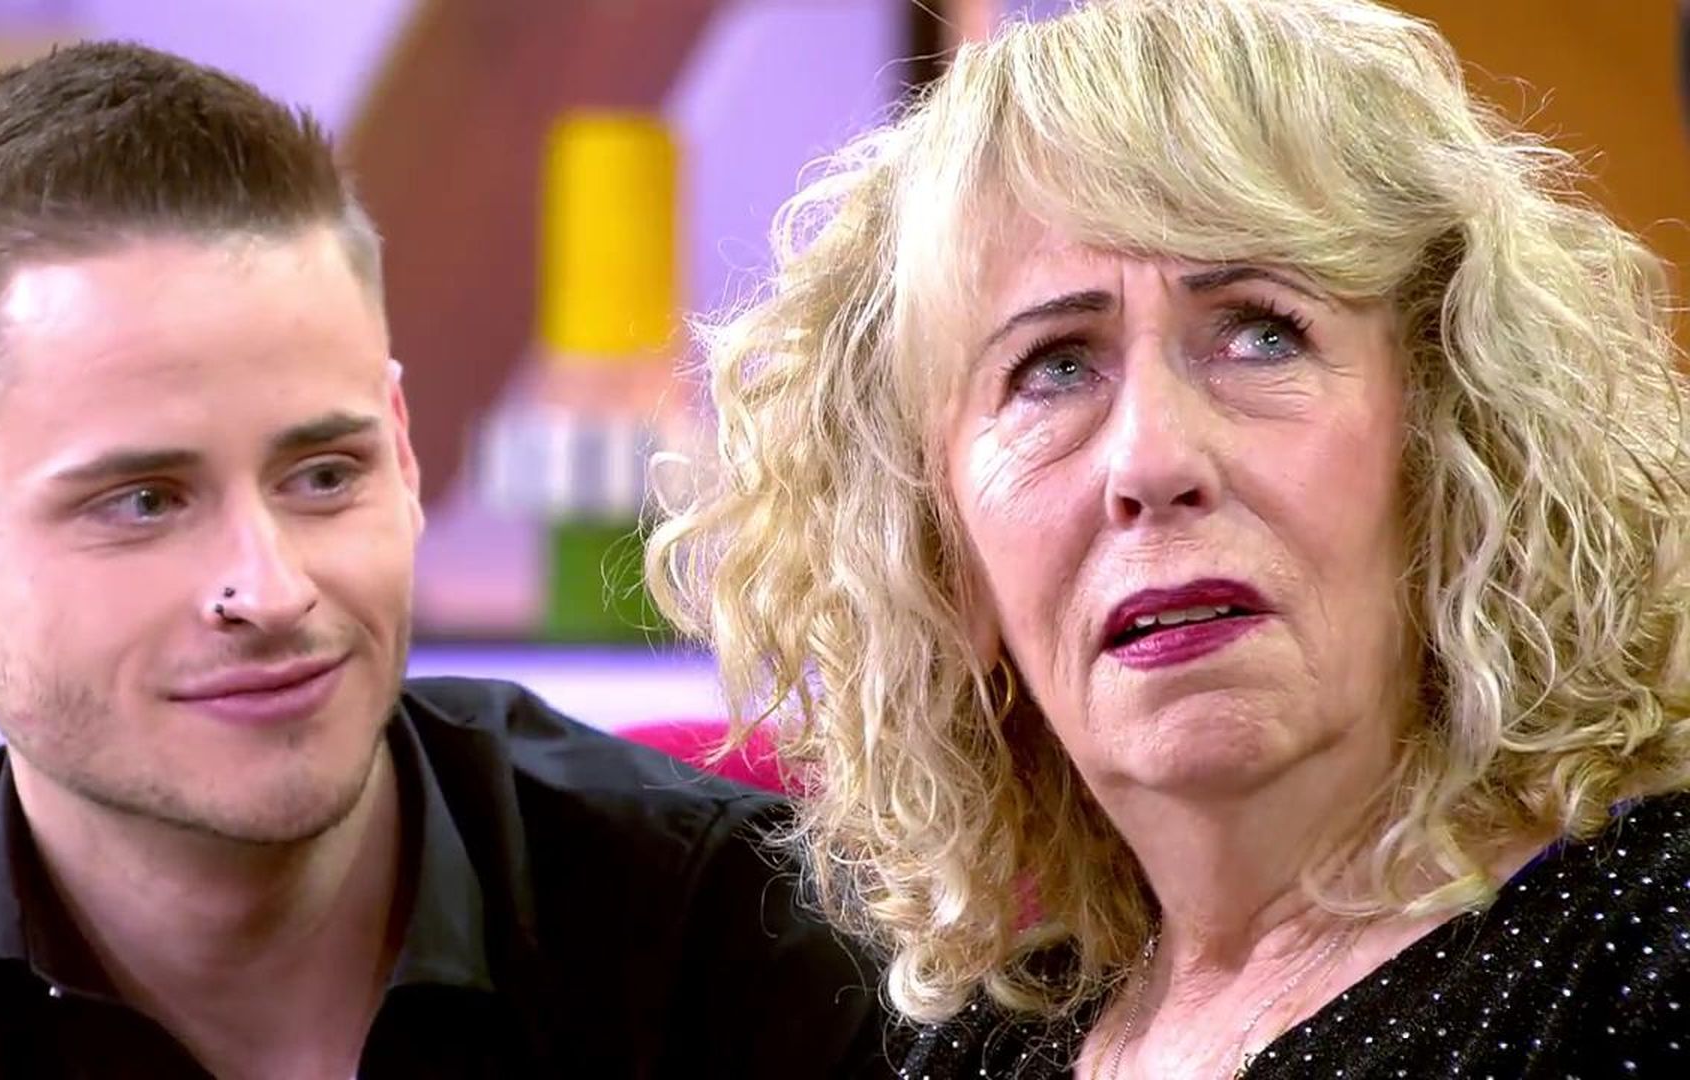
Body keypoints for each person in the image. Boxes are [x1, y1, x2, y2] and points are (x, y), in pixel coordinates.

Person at [0, 42, 884, 1079]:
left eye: (323, 476)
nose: (271, 589)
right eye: (145, 501)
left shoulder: (728, 942)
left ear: (401, 451)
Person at [646, 0, 1690, 1076]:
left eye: (1261, 333)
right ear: (938, 548)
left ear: (1451, 433)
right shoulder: (975, 1051)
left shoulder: (1649, 962)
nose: (1150, 462)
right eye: (1054, 367)